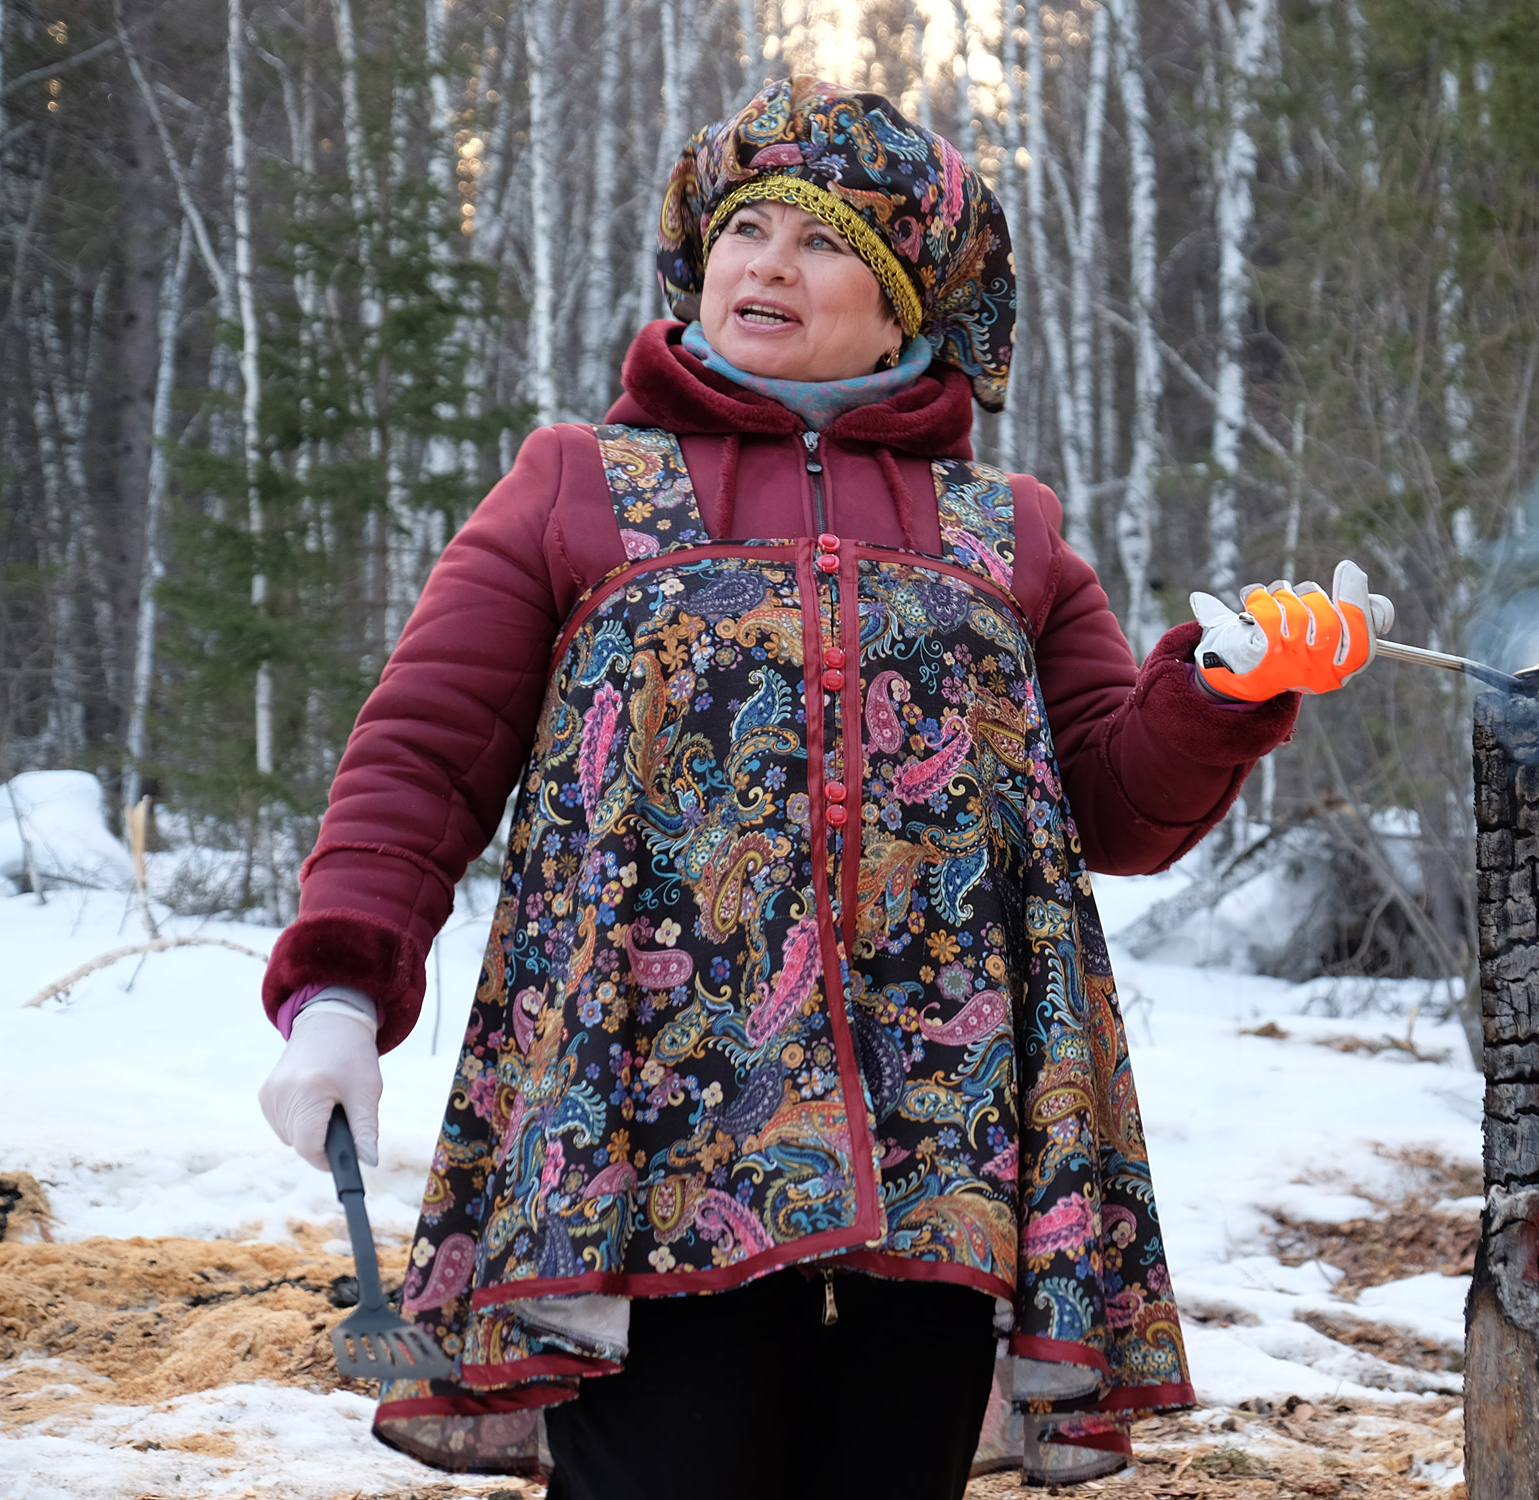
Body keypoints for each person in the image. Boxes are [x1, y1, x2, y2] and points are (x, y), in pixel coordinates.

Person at [253, 76, 1386, 1499]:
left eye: (825, 239)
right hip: (640, 1134)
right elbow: (422, 756)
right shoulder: (576, 484)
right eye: (745, 230)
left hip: (943, 1148)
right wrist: (343, 993)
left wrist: (1223, 686)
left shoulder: (1004, 531)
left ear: (909, 297)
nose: (767, 264)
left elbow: (1111, 803)